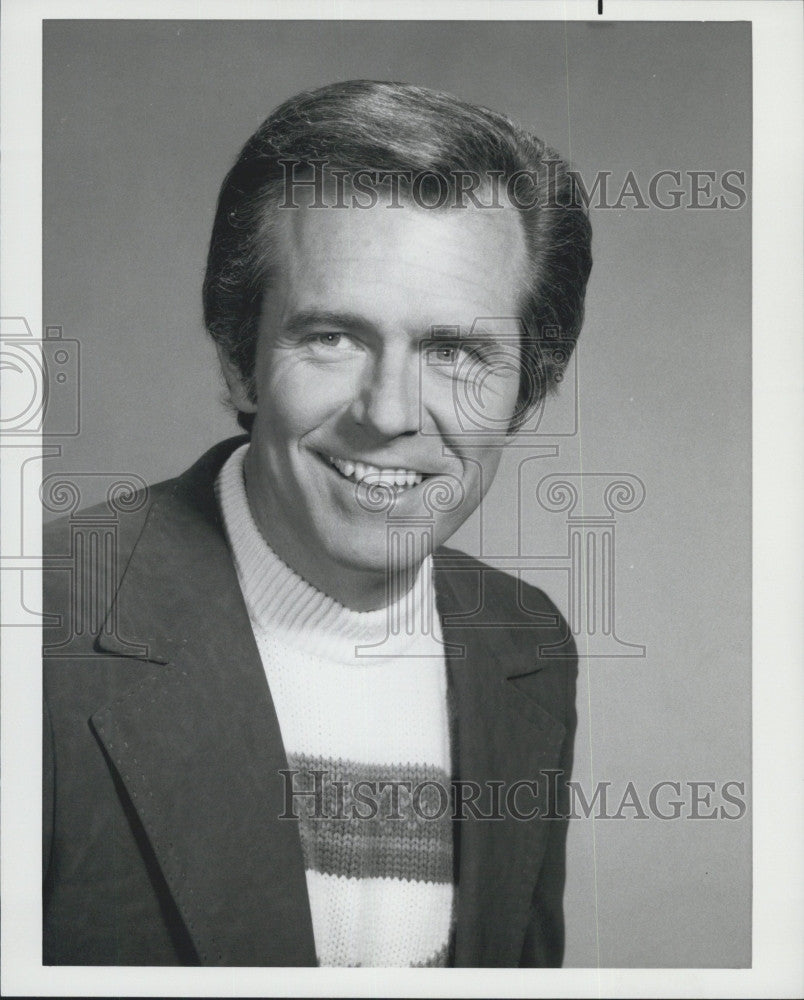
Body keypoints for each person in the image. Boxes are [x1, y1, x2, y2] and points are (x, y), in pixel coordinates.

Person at [42, 79, 592, 967]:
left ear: (525, 391)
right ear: (240, 360)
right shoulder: (37, 632)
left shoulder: (526, 647)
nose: (388, 413)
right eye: (333, 337)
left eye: (455, 352)